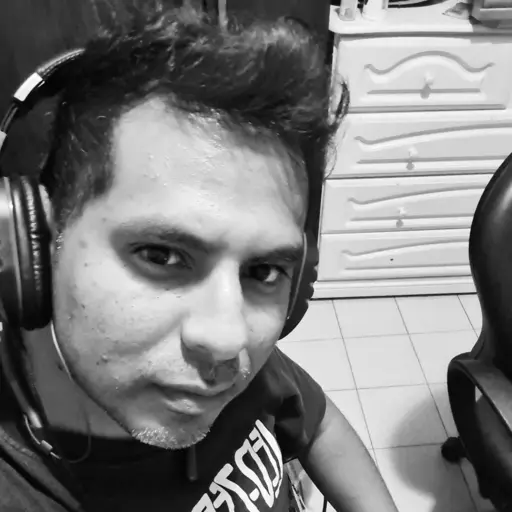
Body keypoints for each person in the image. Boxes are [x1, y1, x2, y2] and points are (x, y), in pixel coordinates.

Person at [0, 3, 398, 511]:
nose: (228, 340)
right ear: (38, 243)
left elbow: (319, 424)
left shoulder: (216, 368)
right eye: (161, 255)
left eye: (263, 271)